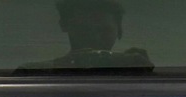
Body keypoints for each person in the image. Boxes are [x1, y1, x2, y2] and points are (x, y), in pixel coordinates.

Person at [16, 0, 153, 74]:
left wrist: (144, 72)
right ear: (65, 25)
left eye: (104, 30)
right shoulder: (31, 73)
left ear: (119, 31)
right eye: (84, 30)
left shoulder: (132, 69)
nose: (95, 37)